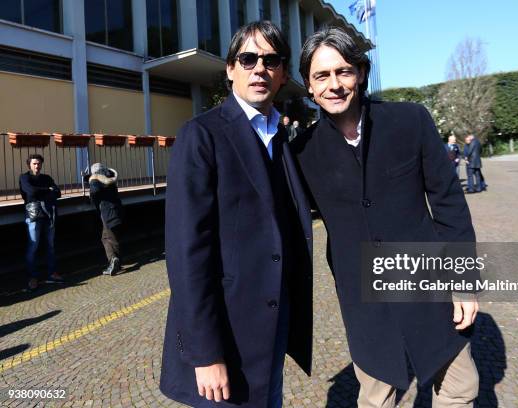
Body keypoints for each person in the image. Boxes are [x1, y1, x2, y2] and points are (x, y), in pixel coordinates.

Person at [292, 28, 479, 407]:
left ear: (361, 73)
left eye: (343, 71)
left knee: (459, 387)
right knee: (377, 398)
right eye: (321, 76)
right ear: (309, 87)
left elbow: (449, 204)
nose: (334, 85)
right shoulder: (300, 153)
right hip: (362, 296)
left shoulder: (410, 121)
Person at [160, 21, 313, 408]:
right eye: (248, 59)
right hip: (225, 340)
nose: (259, 69)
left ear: (282, 74)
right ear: (230, 69)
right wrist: (205, 353)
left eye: (271, 60)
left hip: (272, 331)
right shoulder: (202, 135)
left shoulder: (282, 138)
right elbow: (186, 253)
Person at [19, 153, 64, 291]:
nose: (37, 166)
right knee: (33, 246)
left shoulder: (47, 177)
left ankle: (52, 273)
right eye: (34, 163)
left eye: (39, 163)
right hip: (33, 215)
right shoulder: (24, 177)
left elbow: (58, 192)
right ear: (29, 165)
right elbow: (30, 192)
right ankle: (33, 277)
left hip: (48, 215)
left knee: (50, 246)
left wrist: (46, 192)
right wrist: (47, 190)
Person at [85, 163, 123, 276]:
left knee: (108, 237)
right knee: (110, 236)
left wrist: (91, 194)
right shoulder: (109, 177)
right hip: (116, 209)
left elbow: (95, 191)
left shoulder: (96, 178)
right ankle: (116, 261)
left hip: (107, 212)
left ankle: (113, 260)